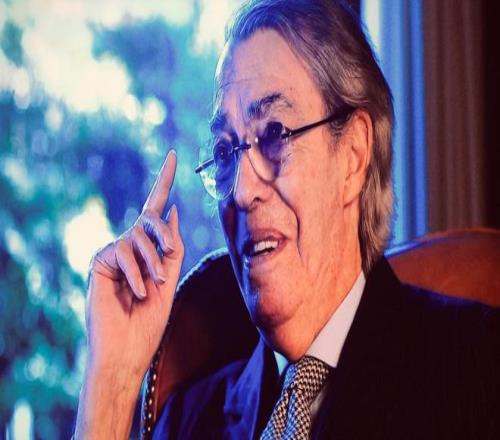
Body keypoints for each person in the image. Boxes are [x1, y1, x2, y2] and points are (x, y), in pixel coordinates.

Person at [74, 0, 500, 439]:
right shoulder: (189, 421)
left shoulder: (479, 369)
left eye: (275, 134)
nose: (242, 191)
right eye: (224, 152)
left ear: (353, 157)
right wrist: (112, 388)